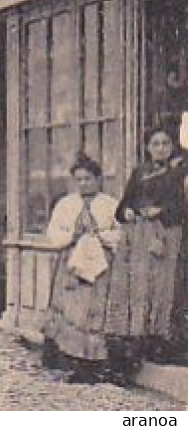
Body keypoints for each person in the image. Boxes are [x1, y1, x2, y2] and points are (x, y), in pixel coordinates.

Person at [103, 128, 187, 376]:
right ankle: (135, 341)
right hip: (139, 238)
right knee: (139, 288)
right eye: (155, 144)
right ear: (148, 148)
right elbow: (122, 208)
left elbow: (182, 209)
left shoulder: (178, 174)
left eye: (165, 143)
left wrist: (160, 212)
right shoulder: (139, 173)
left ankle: (158, 341)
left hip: (167, 236)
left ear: (172, 147)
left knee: (163, 288)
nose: (160, 148)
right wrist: (127, 211)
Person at [41, 153, 123, 383]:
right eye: (79, 179)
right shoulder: (66, 204)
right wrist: (72, 235)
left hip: (100, 264)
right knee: (71, 312)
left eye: (88, 179)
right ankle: (69, 361)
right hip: (71, 262)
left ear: (98, 179)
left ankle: (93, 364)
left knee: (93, 314)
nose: (83, 184)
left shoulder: (110, 204)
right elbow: (53, 234)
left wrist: (101, 236)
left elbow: (122, 233)